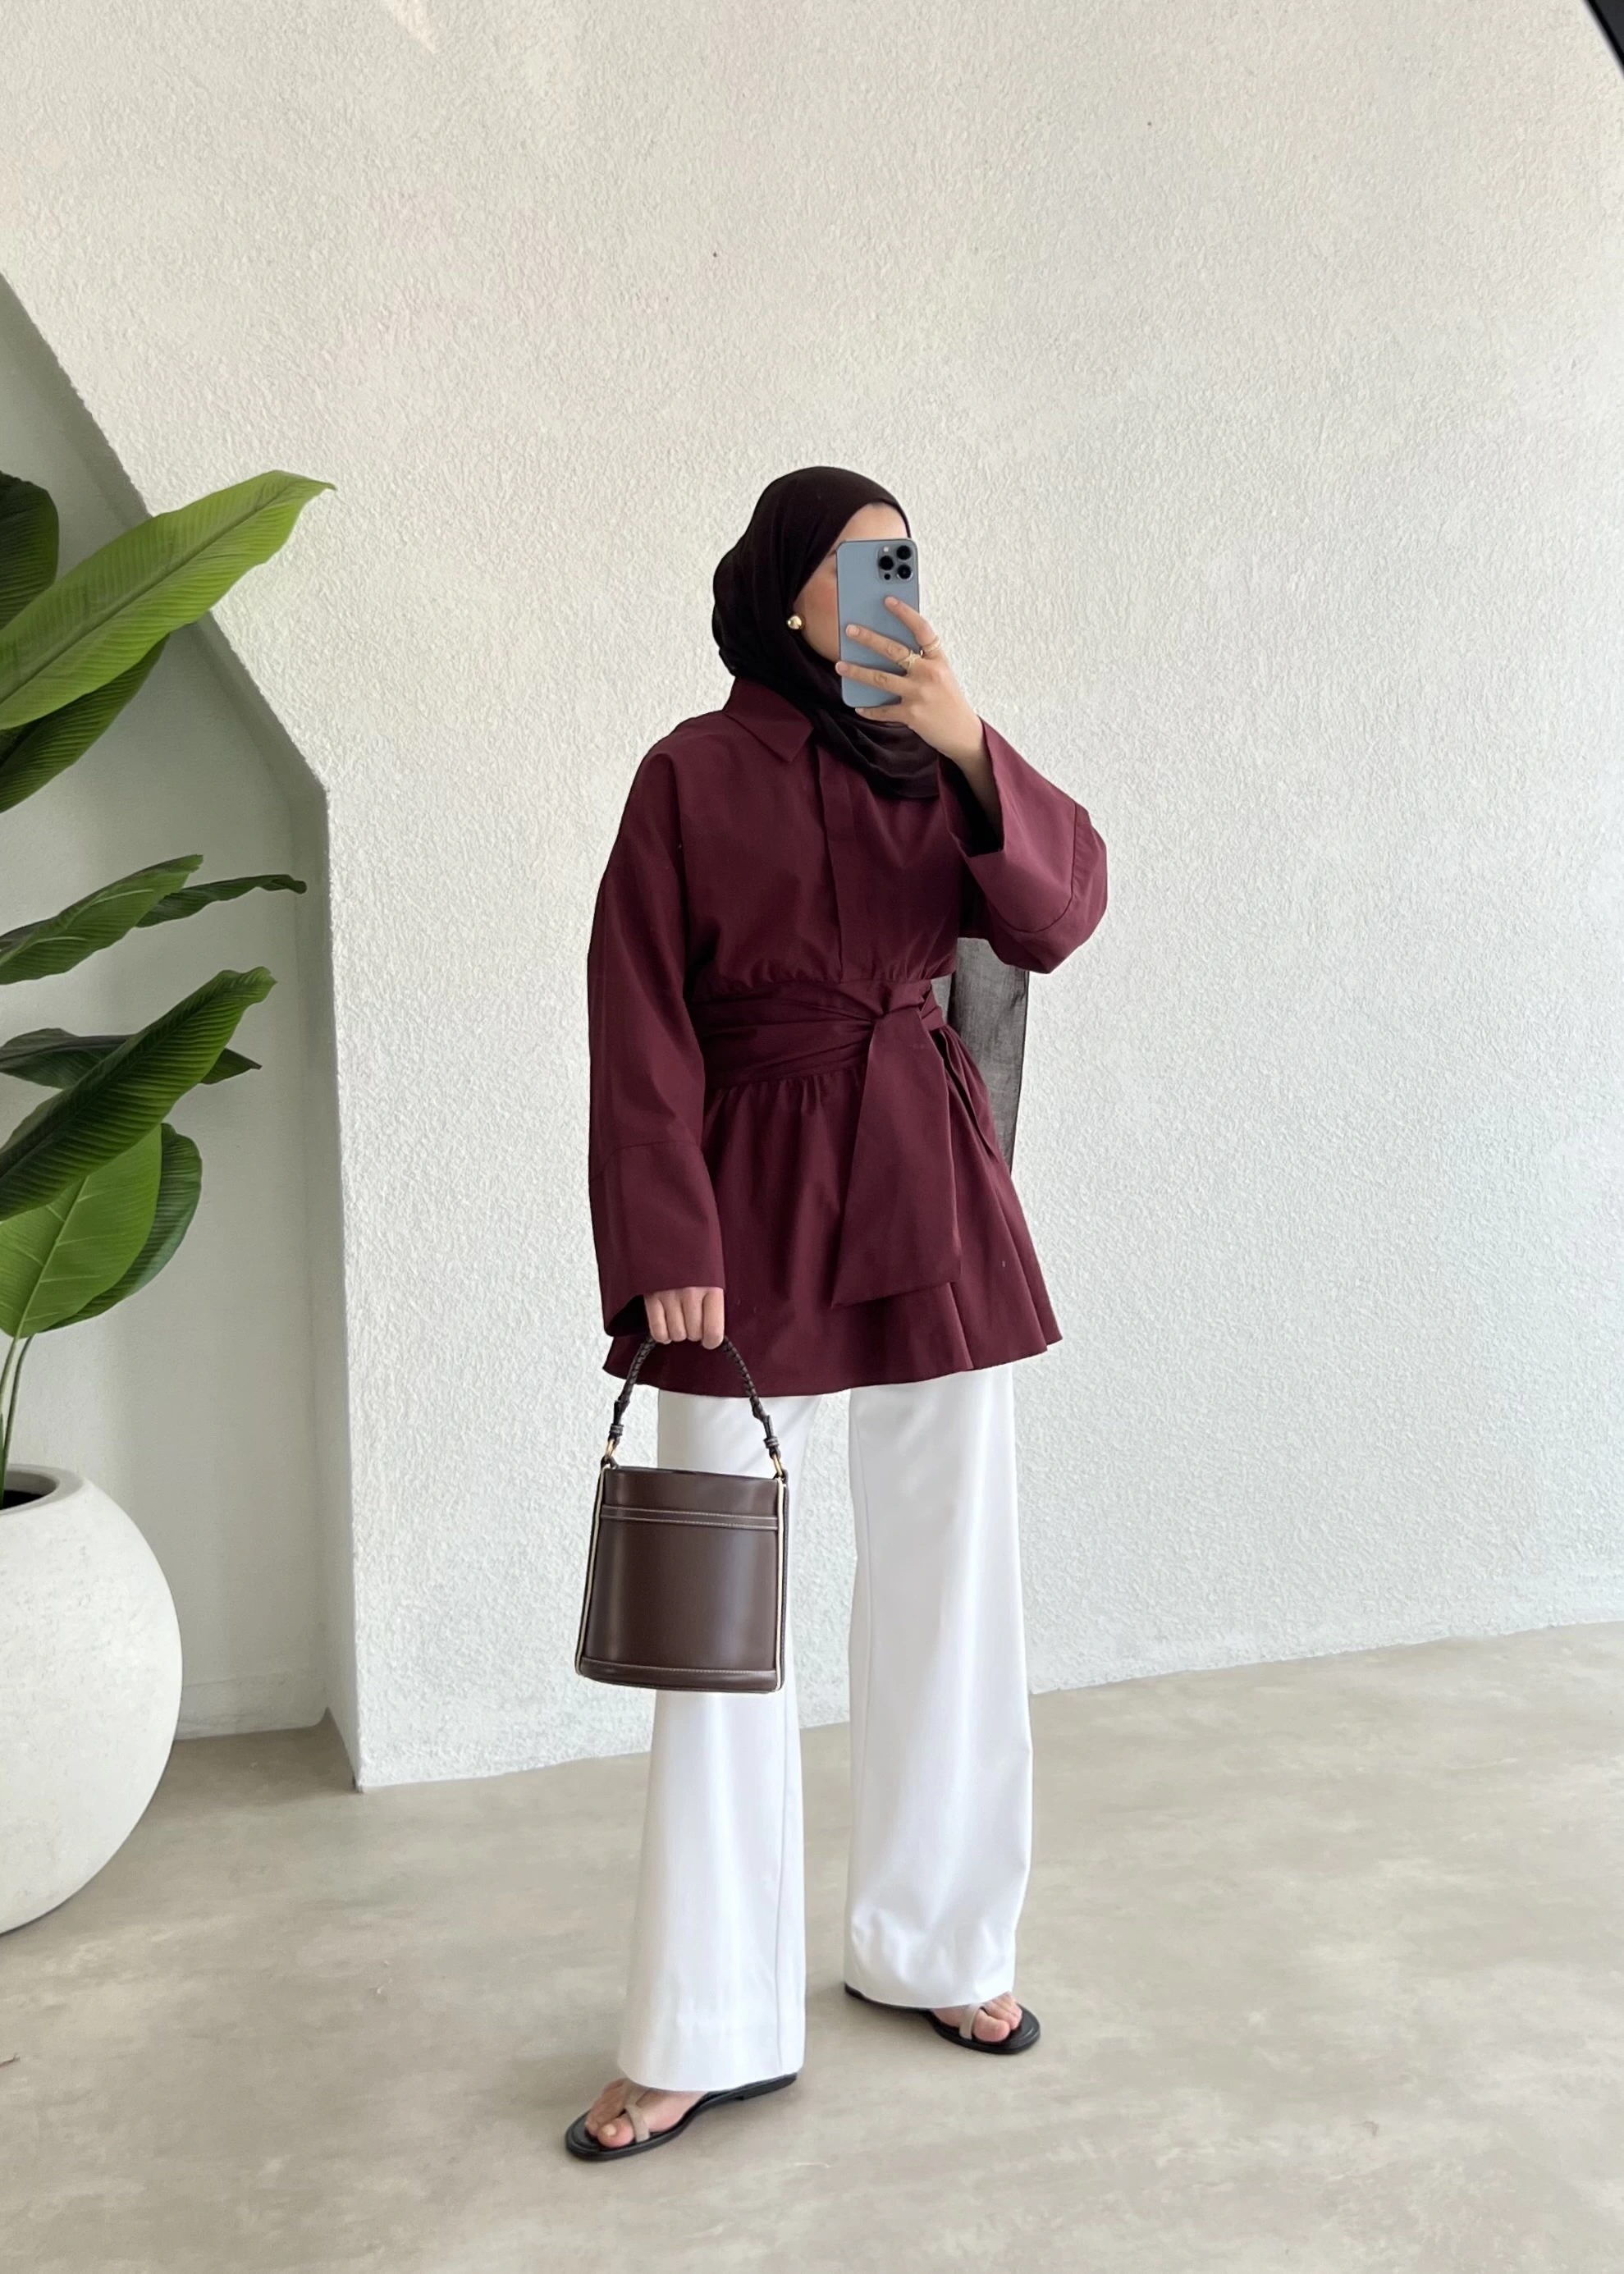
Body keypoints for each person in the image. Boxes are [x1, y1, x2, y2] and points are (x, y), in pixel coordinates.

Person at [567, 466, 1108, 2160]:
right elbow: (635, 1014)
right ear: (785, 586)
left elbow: (1058, 914)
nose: (892, 585)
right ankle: (701, 2020)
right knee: (712, 1616)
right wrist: (663, 1233)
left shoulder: (930, 758)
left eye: (906, 560)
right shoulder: (686, 773)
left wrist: (968, 742)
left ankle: (939, 1942)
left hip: (929, 1188)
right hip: (740, 1208)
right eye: (860, 561)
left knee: (953, 1581)